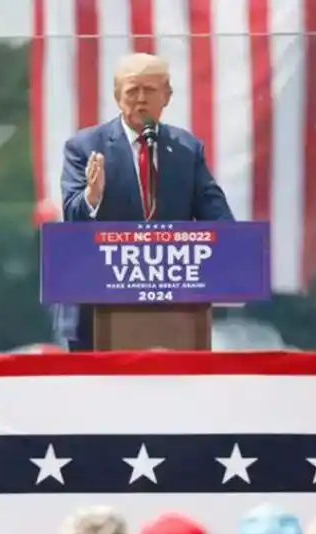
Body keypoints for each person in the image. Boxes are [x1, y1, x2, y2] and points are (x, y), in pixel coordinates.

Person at [56, 52, 235, 352]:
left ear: (167, 96)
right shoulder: (85, 147)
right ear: (117, 96)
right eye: (131, 91)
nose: (140, 99)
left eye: (150, 91)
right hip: (96, 314)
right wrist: (92, 196)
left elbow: (217, 218)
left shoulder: (186, 149)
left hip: (174, 315)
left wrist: (234, 248)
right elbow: (73, 222)